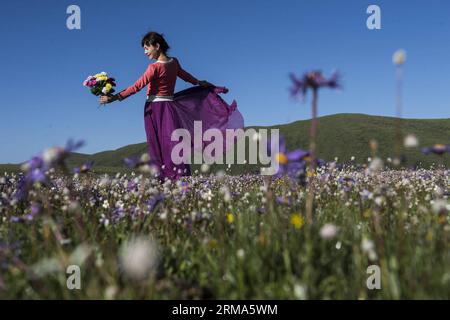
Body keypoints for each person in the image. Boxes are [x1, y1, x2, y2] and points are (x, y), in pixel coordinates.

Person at [100, 31, 244, 182]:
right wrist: (199, 82)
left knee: (159, 142)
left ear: (157, 46)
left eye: (146, 48)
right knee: (172, 142)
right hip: (168, 107)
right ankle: (175, 177)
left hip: (155, 108)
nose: (145, 52)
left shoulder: (153, 68)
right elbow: (185, 76)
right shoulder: (174, 62)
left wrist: (114, 98)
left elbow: (137, 86)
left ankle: (166, 177)